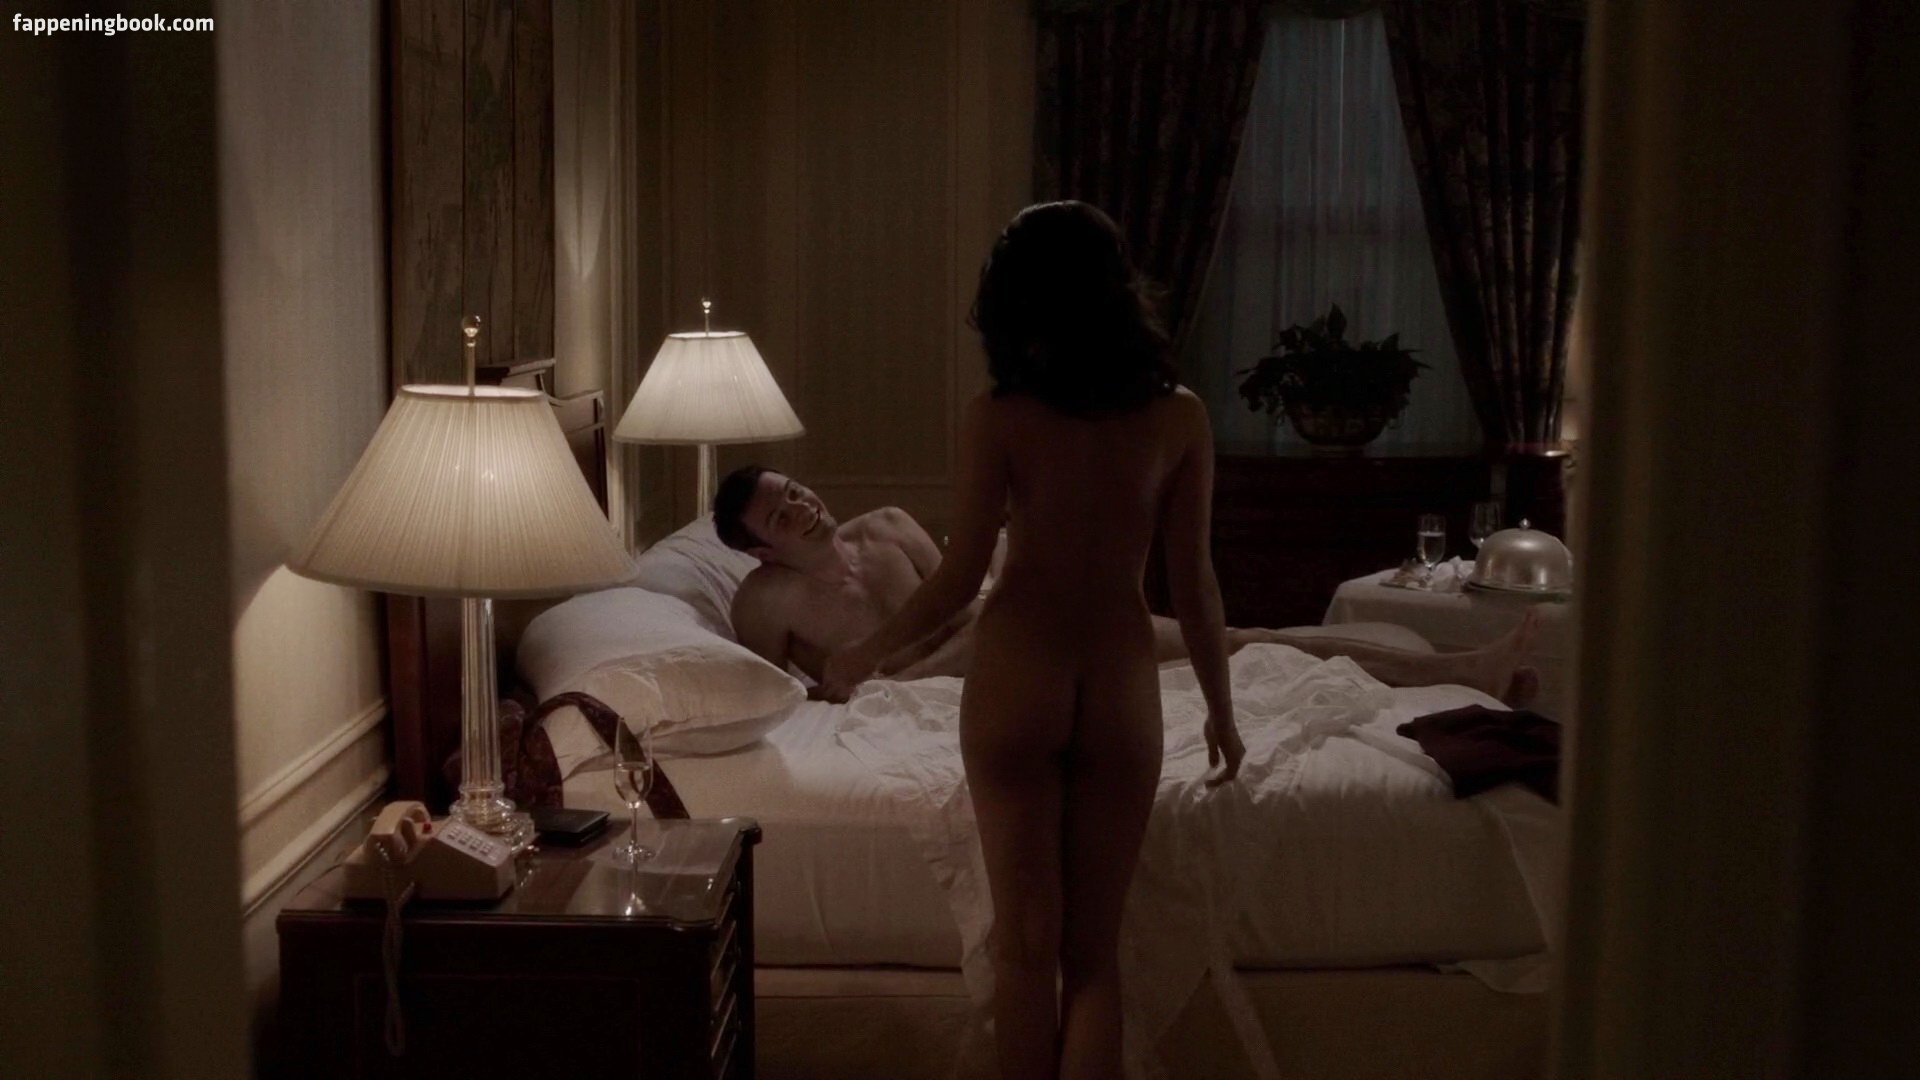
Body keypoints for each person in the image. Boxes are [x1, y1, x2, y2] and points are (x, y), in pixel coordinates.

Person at [713, 466, 1539, 703]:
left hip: (1000, 641)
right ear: (760, 550)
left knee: (1236, 641)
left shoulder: (888, 525)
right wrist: (849, 683)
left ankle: (1461, 670)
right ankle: (1457, 672)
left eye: (798, 493)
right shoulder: (765, 603)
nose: (804, 509)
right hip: (937, 686)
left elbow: (960, 599)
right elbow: (768, 695)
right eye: (782, 516)